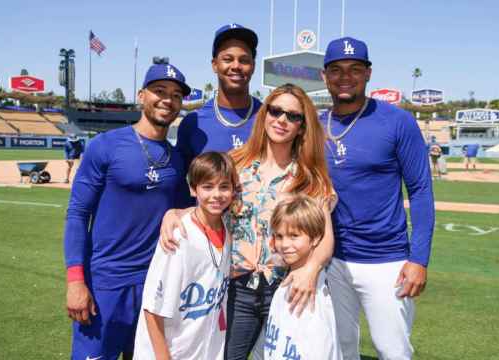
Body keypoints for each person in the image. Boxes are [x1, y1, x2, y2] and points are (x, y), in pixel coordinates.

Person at [160, 83, 336, 360]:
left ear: (302, 126)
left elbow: (325, 237)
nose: (282, 120)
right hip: (236, 289)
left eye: (293, 116)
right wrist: (176, 213)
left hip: (288, 287)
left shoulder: (310, 179)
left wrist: (312, 268)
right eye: (276, 111)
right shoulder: (235, 164)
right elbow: (208, 205)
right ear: (264, 114)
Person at [63, 62, 191, 360]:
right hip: (106, 284)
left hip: (155, 285)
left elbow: (188, 213)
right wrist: (75, 281)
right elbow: (78, 214)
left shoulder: (175, 158)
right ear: (141, 95)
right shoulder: (105, 146)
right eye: (159, 91)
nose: (167, 100)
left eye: (175, 95)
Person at [320, 37, 435, 359]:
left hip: (386, 260)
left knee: (392, 349)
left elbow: (422, 190)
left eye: (355, 69)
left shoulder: (397, 121)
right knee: (339, 348)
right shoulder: (314, 124)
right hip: (330, 259)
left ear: (368, 73)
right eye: (337, 69)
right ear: (324, 76)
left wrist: (419, 259)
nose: (346, 76)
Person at [133, 152, 238, 360]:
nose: (216, 194)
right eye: (207, 187)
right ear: (193, 188)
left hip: (202, 349)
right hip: (168, 351)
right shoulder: (178, 236)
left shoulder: (228, 230)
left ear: (233, 190)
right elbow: (153, 308)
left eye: (224, 187)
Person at [264, 195, 342, 360]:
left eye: (294, 236)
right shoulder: (291, 280)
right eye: (279, 236)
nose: (284, 244)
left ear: (314, 239)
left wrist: (325, 212)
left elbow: (319, 350)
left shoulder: (308, 291)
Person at [176, 23, 263, 168]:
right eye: (228, 59)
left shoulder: (270, 119)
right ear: (215, 65)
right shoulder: (193, 123)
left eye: (244, 60)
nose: (236, 66)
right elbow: (180, 185)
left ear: (253, 66)